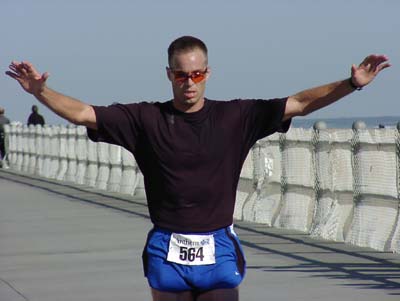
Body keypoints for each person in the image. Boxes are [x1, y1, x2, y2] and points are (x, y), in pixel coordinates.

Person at [5, 36, 390, 301]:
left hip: (218, 246)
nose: (189, 83)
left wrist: (351, 84)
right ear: (168, 74)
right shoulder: (144, 119)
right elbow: (84, 113)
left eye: (197, 74)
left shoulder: (236, 116)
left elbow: (300, 104)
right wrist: (40, 92)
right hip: (167, 248)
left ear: (208, 72)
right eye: (180, 74)